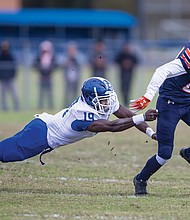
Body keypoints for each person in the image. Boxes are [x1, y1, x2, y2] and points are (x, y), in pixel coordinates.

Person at [0, 77, 158, 165]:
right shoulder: (81, 114)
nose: (107, 103)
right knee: (6, 154)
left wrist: (151, 133)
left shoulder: (98, 103)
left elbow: (126, 115)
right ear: (91, 99)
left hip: (43, 125)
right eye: (103, 100)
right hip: (42, 134)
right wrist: (143, 116)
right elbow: (112, 126)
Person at [130, 42, 190, 196]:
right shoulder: (186, 59)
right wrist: (148, 96)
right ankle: (140, 179)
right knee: (164, 153)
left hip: (188, 102)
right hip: (170, 104)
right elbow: (163, 70)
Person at [33, 41, 57, 109]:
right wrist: (40, 69)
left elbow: (56, 65)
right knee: (41, 93)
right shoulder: (39, 57)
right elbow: (34, 65)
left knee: (50, 93)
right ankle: (40, 106)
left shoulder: (52, 57)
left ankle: (51, 106)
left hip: (49, 77)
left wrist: (51, 69)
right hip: (42, 77)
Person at [62, 42, 83, 108]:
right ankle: (66, 106)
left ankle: (75, 106)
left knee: (75, 93)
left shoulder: (78, 58)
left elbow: (81, 65)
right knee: (67, 94)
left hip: (76, 78)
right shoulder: (65, 57)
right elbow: (62, 65)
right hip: (68, 78)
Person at [0, 40, 19, 111]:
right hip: (3, 78)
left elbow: (14, 67)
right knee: (3, 94)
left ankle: (16, 107)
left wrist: (12, 75)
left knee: (14, 93)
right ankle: (5, 108)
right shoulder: (1, 56)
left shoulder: (11, 55)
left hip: (10, 78)